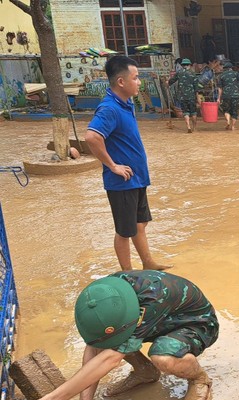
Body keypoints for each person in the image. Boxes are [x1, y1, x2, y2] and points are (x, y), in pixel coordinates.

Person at [8, 270, 218, 400]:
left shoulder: (151, 299)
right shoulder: (104, 293)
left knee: (162, 355)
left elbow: (109, 359)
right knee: (112, 338)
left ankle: (198, 378)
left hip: (195, 323)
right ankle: (146, 373)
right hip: (159, 321)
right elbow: (95, 348)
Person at [85, 56, 170, 272]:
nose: (139, 82)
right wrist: (113, 166)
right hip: (122, 181)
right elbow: (92, 137)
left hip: (136, 177)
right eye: (136, 77)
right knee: (124, 230)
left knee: (141, 223)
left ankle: (148, 262)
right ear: (121, 82)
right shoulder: (109, 108)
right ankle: (127, 273)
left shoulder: (125, 103)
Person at [217, 61, 239, 130]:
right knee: (234, 111)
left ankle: (228, 121)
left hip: (226, 96)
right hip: (235, 96)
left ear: (225, 68)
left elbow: (220, 89)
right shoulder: (236, 74)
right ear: (231, 68)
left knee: (226, 110)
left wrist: (218, 98)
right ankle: (233, 126)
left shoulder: (221, 76)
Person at [168, 58, 200, 133]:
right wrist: (197, 97)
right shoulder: (193, 74)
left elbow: (171, 81)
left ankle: (188, 126)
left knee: (185, 112)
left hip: (182, 96)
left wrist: (167, 82)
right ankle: (194, 128)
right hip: (191, 96)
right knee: (193, 112)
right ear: (189, 65)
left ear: (182, 65)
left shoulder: (179, 73)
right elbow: (196, 87)